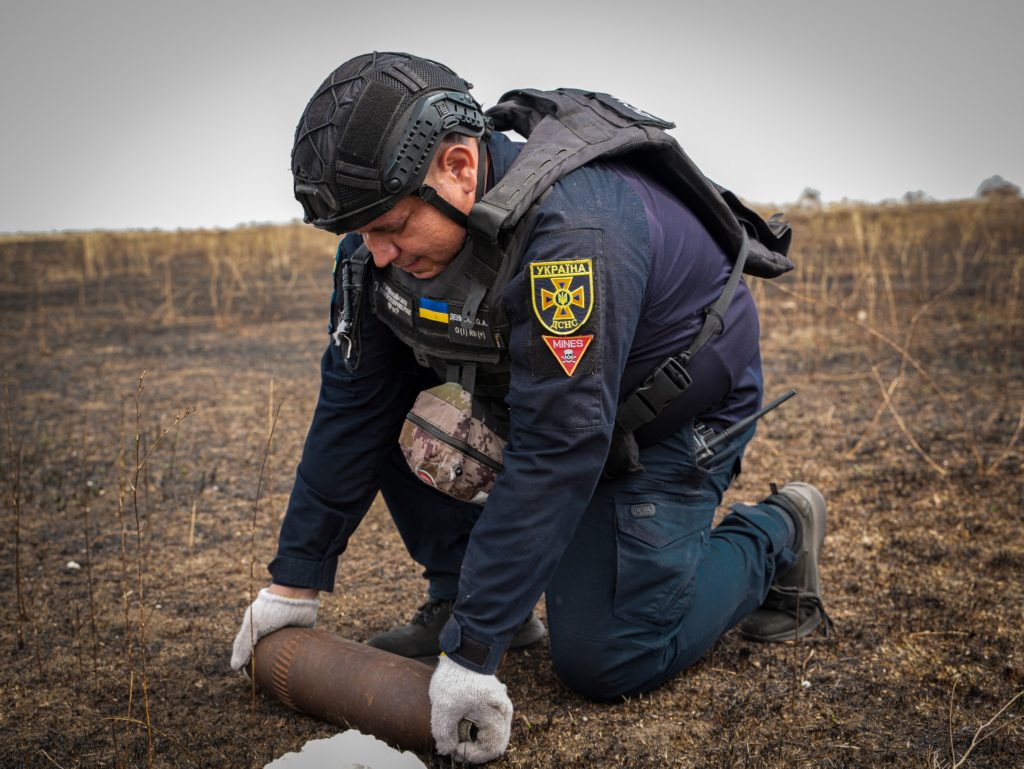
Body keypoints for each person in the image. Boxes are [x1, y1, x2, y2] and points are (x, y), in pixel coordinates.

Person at [232, 51, 830, 764]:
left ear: (458, 167)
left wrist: (471, 655)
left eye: (391, 225)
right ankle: (461, 594)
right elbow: (354, 402)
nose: (379, 254)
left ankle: (778, 532)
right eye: (360, 234)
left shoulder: (572, 237)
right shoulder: (378, 248)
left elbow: (561, 446)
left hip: (667, 419)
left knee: (610, 656)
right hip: (539, 403)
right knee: (404, 415)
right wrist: (293, 581)